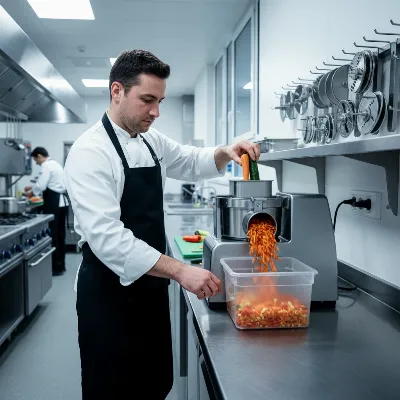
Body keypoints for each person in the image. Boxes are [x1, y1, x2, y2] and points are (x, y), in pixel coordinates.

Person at [64, 49, 260, 400]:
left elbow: (190, 159)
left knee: (153, 383)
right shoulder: (90, 151)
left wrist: (226, 150)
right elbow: (108, 239)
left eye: (160, 101)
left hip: (150, 288)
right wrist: (181, 271)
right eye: (147, 100)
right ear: (117, 91)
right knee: (113, 389)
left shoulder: (150, 140)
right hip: (108, 292)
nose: (155, 112)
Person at [24, 147, 68, 276]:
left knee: (53, 235)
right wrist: (33, 187)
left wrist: (31, 192)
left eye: (35, 160)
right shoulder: (56, 164)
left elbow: (42, 186)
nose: (36, 163)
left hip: (53, 202)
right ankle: (60, 266)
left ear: (39, 156)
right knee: (60, 235)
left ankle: (55, 267)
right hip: (62, 202)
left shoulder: (46, 165)